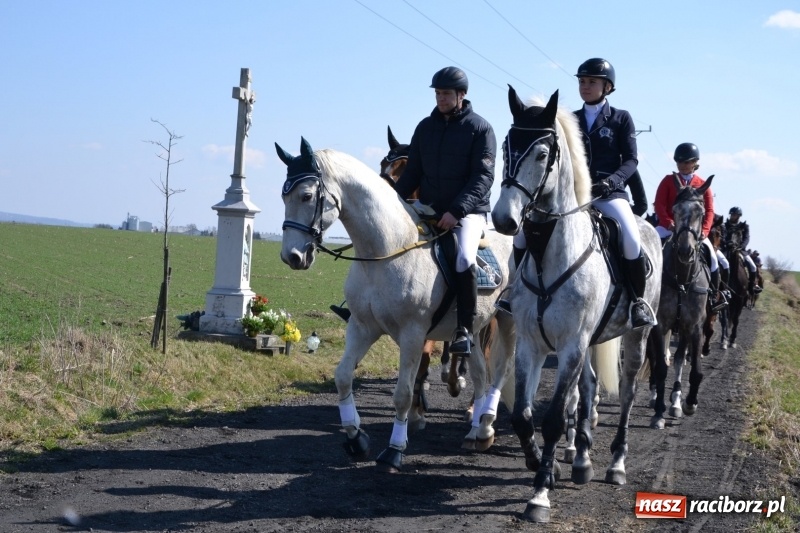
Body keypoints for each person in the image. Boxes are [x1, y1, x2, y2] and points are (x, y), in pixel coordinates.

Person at [502, 58, 655, 329]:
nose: (585, 86)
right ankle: (513, 289)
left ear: (607, 87)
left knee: (631, 240)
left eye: (592, 82)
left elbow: (631, 160)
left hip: (608, 195)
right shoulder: (569, 120)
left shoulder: (621, 118)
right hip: (572, 197)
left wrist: (612, 181)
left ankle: (637, 301)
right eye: (582, 81)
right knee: (522, 235)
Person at [393, 66, 496, 356]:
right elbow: (412, 173)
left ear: (461, 95)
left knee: (464, 257)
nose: (441, 98)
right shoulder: (425, 127)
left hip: (468, 212)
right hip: (428, 208)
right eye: (438, 93)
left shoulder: (481, 128)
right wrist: (393, 202)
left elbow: (483, 177)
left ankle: (464, 329)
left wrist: (456, 211)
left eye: (446, 94)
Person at [653, 143, 726, 311]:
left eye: (687, 162)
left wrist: (705, 231)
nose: (683, 165)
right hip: (669, 227)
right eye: (679, 162)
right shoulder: (668, 181)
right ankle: (643, 292)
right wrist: (668, 223)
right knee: (648, 248)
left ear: (695, 163)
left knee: (713, 259)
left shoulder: (703, 184)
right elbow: (659, 204)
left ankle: (714, 296)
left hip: (694, 231)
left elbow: (709, 210)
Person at [724, 207, 762, 294]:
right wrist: (726, 243)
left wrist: (741, 246)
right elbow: (723, 236)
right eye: (732, 214)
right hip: (727, 249)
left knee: (753, 266)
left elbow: (746, 238)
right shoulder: (725, 225)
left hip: (740, 250)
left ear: (738, 216)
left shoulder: (744, 226)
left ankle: (752, 286)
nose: (732, 216)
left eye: (734, 215)